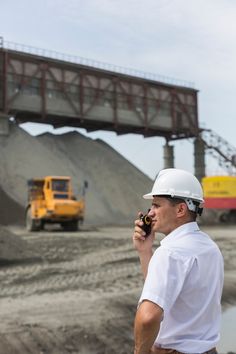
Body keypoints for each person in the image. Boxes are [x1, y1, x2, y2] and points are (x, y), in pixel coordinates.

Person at [132, 168, 224, 354]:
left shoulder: (170, 252)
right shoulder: (209, 247)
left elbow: (148, 317)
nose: (150, 213)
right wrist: (145, 251)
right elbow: (163, 290)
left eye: (157, 205)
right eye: (151, 207)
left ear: (181, 209)